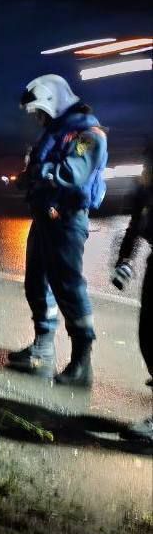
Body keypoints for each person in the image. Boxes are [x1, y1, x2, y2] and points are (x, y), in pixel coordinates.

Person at [8, 74, 108, 386]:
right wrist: (27, 177)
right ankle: (43, 348)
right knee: (36, 282)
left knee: (68, 287)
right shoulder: (58, 132)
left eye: (40, 113)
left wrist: (39, 171)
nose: (38, 119)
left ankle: (81, 363)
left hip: (66, 220)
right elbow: (46, 169)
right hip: (45, 217)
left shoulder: (87, 135)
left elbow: (72, 173)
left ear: (53, 103)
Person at [111, 142, 153, 441]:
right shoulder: (145, 187)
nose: (144, 172)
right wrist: (125, 258)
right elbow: (137, 221)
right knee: (148, 337)